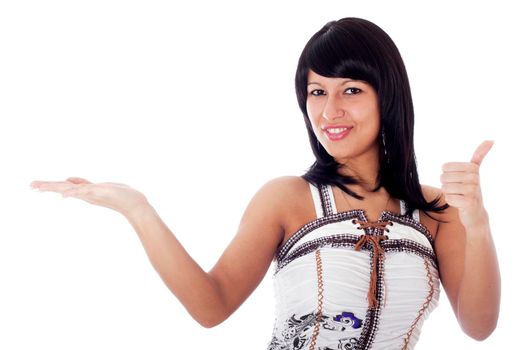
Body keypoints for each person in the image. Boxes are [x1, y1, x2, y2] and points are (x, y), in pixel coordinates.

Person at [31, 17, 500, 349]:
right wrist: (137, 208)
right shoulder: (287, 198)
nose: (329, 111)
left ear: (388, 95)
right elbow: (211, 307)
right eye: (317, 92)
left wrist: (477, 222)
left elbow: (479, 327)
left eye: (351, 90)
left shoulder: (438, 210)